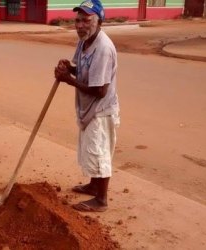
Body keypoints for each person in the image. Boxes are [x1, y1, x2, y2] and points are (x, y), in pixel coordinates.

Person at [54, 0, 120, 212]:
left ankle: (101, 200)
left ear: (99, 21)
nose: (81, 25)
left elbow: (100, 90)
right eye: (78, 20)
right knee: (91, 149)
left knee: (100, 152)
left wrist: (68, 79)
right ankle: (93, 186)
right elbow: (82, 70)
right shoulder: (84, 42)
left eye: (87, 20)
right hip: (88, 108)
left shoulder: (103, 48)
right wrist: (69, 68)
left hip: (100, 110)